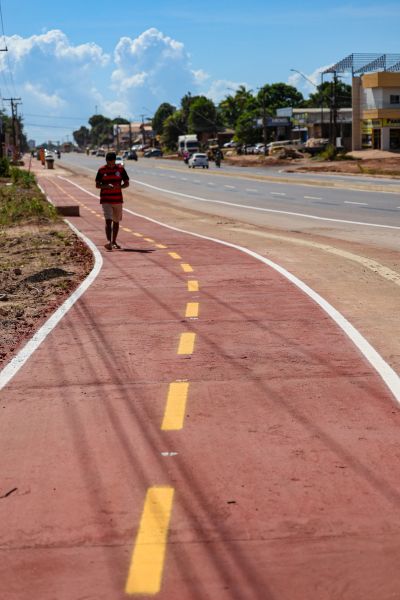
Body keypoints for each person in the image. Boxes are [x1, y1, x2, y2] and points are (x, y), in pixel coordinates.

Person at [95, 151, 129, 251]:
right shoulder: (101, 170)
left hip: (118, 199)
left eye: (112, 162)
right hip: (106, 199)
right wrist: (106, 186)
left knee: (116, 221)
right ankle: (108, 241)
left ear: (115, 161)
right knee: (108, 220)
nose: (111, 165)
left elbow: (127, 183)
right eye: (109, 163)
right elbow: (97, 185)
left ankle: (114, 241)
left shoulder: (121, 169)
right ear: (106, 161)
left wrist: (120, 186)